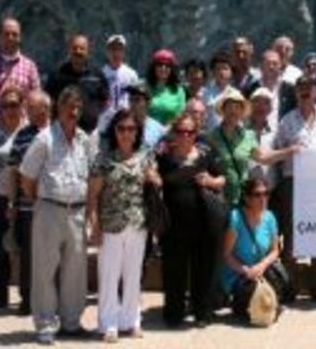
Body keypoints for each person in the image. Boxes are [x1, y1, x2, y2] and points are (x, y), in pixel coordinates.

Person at [20, 86, 96, 344]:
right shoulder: (44, 139)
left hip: (76, 211)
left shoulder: (85, 140)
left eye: (77, 108)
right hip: (49, 210)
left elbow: (93, 178)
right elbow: (27, 178)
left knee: (75, 271)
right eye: (69, 107)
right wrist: (42, 201)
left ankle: (71, 323)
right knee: (44, 270)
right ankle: (44, 325)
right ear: (58, 110)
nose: (73, 112)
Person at [88, 109, 161, 342]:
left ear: (137, 132)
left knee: (133, 274)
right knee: (109, 275)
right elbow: (93, 196)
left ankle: (131, 320)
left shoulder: (146, 155)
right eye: (121, 129)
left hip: (138, 223)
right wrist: (95, 227)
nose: (126, 133)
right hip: (110, 223)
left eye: (131, 129)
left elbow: (158, 183)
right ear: (114, 131)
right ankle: (108, 323)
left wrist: (155, 179)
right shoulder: (103, 159)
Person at [273, 75, 316, 301]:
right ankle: (290, 286)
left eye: (309, 89)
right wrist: (291, 150)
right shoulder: (286, 121)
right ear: (295, 93)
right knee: (291, 234)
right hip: (294, 182)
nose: (305, 92)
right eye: (301, 89)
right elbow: (278, 152)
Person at [157, 114, 226, 327]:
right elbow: (154, 180)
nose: (186, 136)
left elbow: (223, 179)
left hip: (204, 223)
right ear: (174, 134)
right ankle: (174, 313)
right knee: (173, 270)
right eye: (181, 131)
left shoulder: (206, 155)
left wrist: (211, 181)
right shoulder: (164, 158)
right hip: (173, 225)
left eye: (190, 132)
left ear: (196, 134)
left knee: (203, 268)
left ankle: (202, 313)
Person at [207, 88, 296, 206]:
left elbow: (263, 158)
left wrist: (289, 151)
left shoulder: (248, 136)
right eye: (230, 106)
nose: (233, 111)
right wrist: (212, 181)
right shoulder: (211, 136)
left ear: (241, 111)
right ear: (223, 109)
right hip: (219, 199)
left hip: (243, 199)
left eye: (237, 107)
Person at [6, 90, 52, 316]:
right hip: (26, 206)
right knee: (28, 255)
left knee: (53, 255)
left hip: (53, 206)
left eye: (32, 108)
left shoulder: (58, 132)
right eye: (28, 108)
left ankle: (52, 299)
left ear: (45, 109)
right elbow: (14, 170)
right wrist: (12, 202)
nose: (28, 112)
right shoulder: (22, 135)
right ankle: (27, 299)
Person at [0, 86, 27, 310]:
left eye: (14, 104)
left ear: (22, 106)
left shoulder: (28, 130)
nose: (10, 109)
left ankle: (26, 297)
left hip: (23, 200)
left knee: (24, 249)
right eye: (6, 105)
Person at [222, 176, 283, 321]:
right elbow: (226, 255)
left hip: (260, 269)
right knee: (253, 298)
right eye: (257, 195)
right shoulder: (236, 218)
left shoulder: (270, 217)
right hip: (238, 272)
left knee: (272, 298)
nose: (263, 199)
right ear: (247, 198)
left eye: (266, 194)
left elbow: (275, 250)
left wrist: (261, 266)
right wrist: (247, 271)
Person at [44, 34, 110, 133]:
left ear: (88, 51)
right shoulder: (57, 74)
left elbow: (106, 100)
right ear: (69, 50)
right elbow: (48, 101)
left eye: (82, 48)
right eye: (75, 48)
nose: (78, 51)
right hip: (62, 131)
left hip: (89, 131)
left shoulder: (97, 75)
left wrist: (92, 114)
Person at [245, 49, 296, 128]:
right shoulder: (250, 89)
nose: (271, 67)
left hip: (282, 136)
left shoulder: (290, 90)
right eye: (268, 63)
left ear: (280, 67)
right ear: (261, 66)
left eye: (275, 64)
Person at [146, 49, 187, 126]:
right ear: (153, 67)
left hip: (170, 133)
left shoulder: (178, 91)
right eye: (160, 64)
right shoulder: (145, 88)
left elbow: (182, 114)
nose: (163, 68)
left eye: (167, 65)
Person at [102, 35, 139, 112]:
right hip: (106, 117)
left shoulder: (131, 74)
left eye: (120, 49)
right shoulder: (101, 74)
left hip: (126, 117)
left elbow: (136, 98)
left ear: (124, 52)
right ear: (107, 51)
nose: (116, 53)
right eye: (113, 49)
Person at [125, 82, 165, 149]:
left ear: (148, 103)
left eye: (137, 100)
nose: (132, 103)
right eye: (130, 99)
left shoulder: (158, 130)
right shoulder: (122, 127)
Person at [202, 51, 233, 130]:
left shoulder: (235, 94)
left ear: (231, 71)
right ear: (213, 72)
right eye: (218, 69)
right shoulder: (205, 93)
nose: (222, 72)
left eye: (225, 68)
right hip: (211, 136)